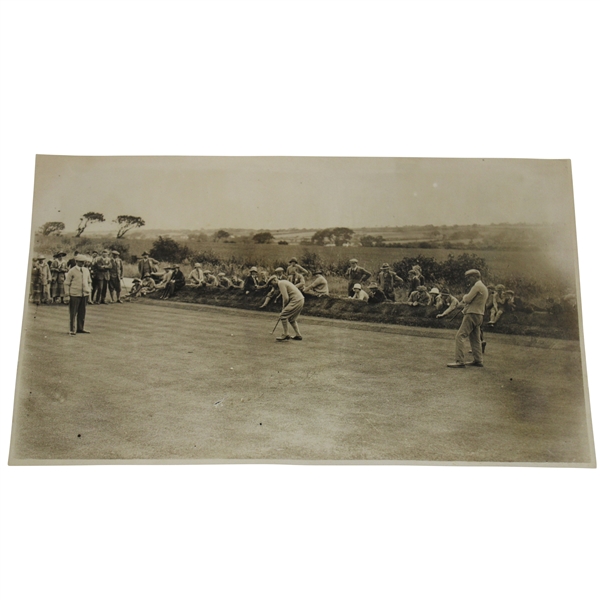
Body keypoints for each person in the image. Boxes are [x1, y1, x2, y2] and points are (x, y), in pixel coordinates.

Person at [447, 269, 489, 368]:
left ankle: (459, 361)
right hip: (479, 315)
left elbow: (467, 299)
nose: (468, 280)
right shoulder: (483, 287)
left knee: (460, 336)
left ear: (475, 277)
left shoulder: (477, 286)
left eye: (469, 278)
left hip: (471, 314)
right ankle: (478, 360)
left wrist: (464, 296)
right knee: (475, 338)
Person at [267, 276, 305, 342]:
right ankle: (298, 335)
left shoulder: (281, 283)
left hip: (296, 300)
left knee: (283, 315)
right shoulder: (283, 282)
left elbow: (286, 298)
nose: (272, 285)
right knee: (292, 319)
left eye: (271, 283)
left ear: (275, 280)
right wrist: (284, 307)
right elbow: (285, 296)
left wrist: (284, 307)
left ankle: (286, 334)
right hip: (300, 299)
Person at [64, 254, 92, 335]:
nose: (82, 263)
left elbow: (89, 282)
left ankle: (80, 328)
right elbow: (66, 283)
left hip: (84, 294)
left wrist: (88, 290)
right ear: (76, 262)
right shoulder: (72, 271)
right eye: (80, 262)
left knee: (82, 312)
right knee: (73, 313)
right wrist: (67, 295)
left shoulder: (86, 270)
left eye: (83, 262)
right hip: (74, 294)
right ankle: (72, 329)